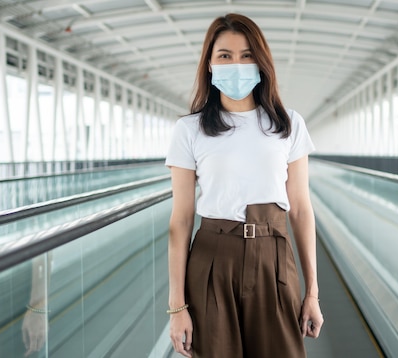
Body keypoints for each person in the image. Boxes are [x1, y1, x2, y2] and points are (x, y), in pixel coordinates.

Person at [165, 13, 324, 358]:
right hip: (212, 259)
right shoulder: (189, 130)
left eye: (247, 55)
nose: (236, 64)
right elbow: (180, 220)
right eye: (225, 55)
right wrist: (177, 308)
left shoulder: (288, 125)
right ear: (209, 63)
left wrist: (312, 293)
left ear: (261, 62)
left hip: (274, 258)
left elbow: (300, 208)